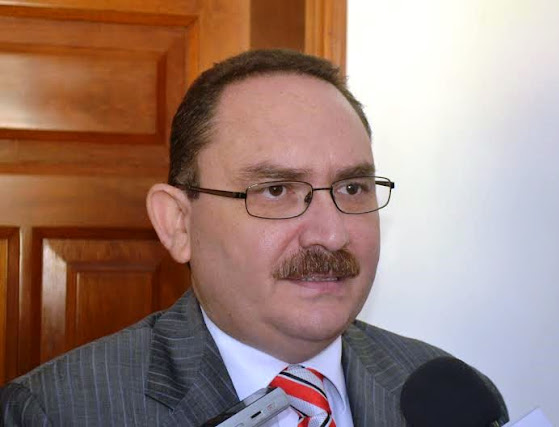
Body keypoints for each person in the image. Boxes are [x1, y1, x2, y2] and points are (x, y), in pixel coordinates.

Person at [0, 49, 508, 426]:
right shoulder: (59, 411)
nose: (332, 234)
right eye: (276, 190)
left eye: (353, 188)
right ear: (178, 223)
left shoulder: (455, 398)